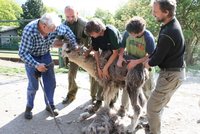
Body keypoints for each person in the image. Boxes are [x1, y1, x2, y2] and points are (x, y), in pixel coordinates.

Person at [19, 12, 77, 119]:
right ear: (43, 26)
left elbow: (67, 32)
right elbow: (22, 53)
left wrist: (75, 45)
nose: (55, 31)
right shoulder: (29, 30)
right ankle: (29, 107)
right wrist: (36, 65)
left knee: (51, 82)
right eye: (52, 29)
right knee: (33, 86)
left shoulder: (53, 26)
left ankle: (50, 105)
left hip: (45, 55)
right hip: (32, 57)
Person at [144, 0, 185, 133]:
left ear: (166, 12)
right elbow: (159, 50)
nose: (153, 14)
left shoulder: (169, 32)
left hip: (170, 75)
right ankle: (152, 126)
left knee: (151, 108)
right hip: (174, 74)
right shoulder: (169, 24)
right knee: (158, 106)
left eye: (155, 12)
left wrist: (148, 62)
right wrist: (150, 57)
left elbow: (157, 59)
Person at [61, 6, 103, 105]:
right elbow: (57, 40)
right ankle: (71, 95)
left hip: (86, 52)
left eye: (72, 16)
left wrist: (89, 51)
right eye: (67, 17)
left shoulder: (85, 23)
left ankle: (94, 97)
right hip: (73, 54)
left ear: (77, 13)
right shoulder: (63, 25)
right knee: (71, 74)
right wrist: (64, 45)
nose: (70, 19)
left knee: (93, 75)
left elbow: (95, 39)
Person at [117, 16, 156, 117]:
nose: (130, 35)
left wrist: (136, 62)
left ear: (140, 32)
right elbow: (122, 46)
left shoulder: (148, 37)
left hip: (145, 67)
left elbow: (152, 55)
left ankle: (149, 113)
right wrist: (121, 57)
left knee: (147, 91)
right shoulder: (127, 32)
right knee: (128, 87)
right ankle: (123, 108)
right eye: (129, 33)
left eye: (132, 34)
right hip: (130, 65)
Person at [85, 18, 122, 108]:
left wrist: (105, 68)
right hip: (106, 50)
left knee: (113, 73)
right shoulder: (94, 36)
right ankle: (99, 98)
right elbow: (96, 52)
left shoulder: (111, 32)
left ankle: (112, 100)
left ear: (98, 30)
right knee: (100, 73)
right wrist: (99, 68)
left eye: (92, 34)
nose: (91, 36)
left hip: (118, 50)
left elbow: (115, 52)